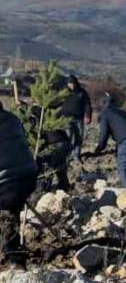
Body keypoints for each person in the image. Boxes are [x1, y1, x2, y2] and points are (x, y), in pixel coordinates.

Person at [0, 102, 37, 265]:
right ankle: (13, 251)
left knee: (6, 210)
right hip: (29, 176)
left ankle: (13, 256)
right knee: (11, 209)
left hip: (7, 182)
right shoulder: (13, 118)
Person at [92, 93, 126, 190]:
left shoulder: (105, 115)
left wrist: (99, 148)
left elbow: (103, 135)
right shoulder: (121, 112)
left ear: (102, 105)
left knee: (123, 166)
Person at [27, 106, 71, 192]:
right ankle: (64, 187)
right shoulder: (49, 116)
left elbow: (38, 140)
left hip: (54, 144)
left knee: (47, 168)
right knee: (60, 166)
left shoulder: (39, 120)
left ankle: (43, 190)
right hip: (64, 142)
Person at [60, 75, 92, 163]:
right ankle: (66, 156)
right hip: (66, 119)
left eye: (73, 83)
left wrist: (88, 116)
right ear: (67, 84)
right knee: (68, 138)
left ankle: (76, 155)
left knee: (79, 137)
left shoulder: (82, 92)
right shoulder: (63, 92)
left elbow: (87, 105)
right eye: (70, 84)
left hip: (79, 118)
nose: (72, 85)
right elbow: (56, 103)